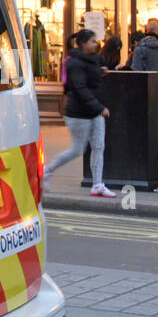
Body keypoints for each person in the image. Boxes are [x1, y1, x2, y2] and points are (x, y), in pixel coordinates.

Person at [46, 29, 114, 196]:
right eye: (92, 41)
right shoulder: (74, 63)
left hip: (94, 112)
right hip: (78, 114)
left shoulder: (94, 60)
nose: (96, 44)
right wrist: (100, 108)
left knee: (99, 147)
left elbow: (90, 80)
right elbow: (80, 88)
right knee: (77, 149)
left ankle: (97, 184)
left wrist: (101, 72)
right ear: (83, 44)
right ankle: (47, 170)